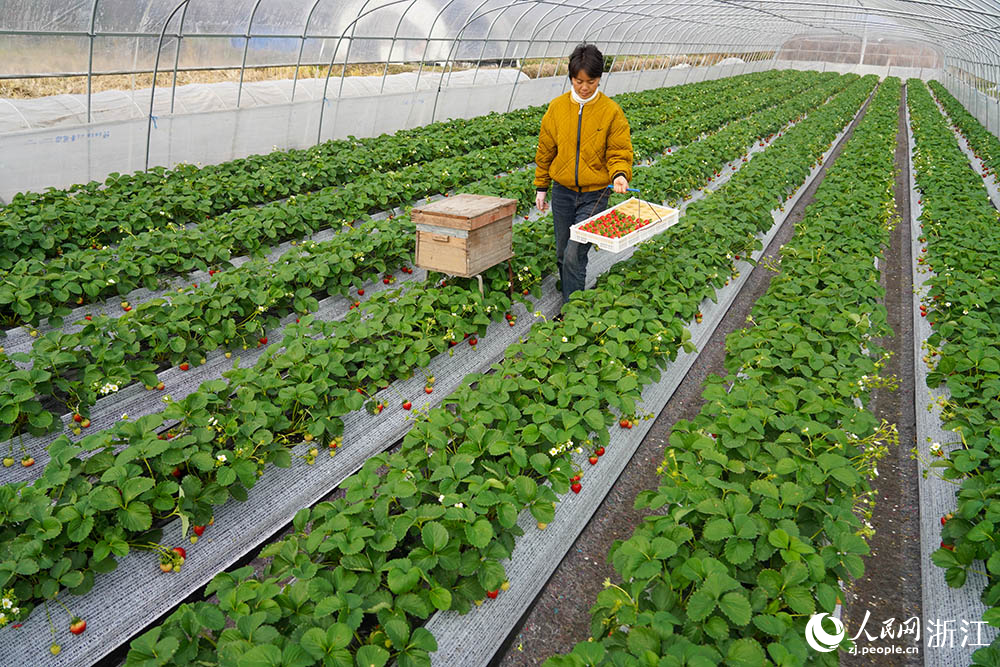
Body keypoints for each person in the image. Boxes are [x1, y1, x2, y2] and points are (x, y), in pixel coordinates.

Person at [534, 43, 633, 303]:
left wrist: (620, 174)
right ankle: (570, 288)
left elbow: (619, 150)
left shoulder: (611, 111)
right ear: (571, 78)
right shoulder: (556, 109)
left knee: (574, 254)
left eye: (591, 81)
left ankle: (572, 309)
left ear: (599, 79)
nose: (585, 87)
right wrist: (541, 187)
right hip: (563, 193)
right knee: (561, 252)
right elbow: (546, 150)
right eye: (579, 81)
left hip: (595, 195)